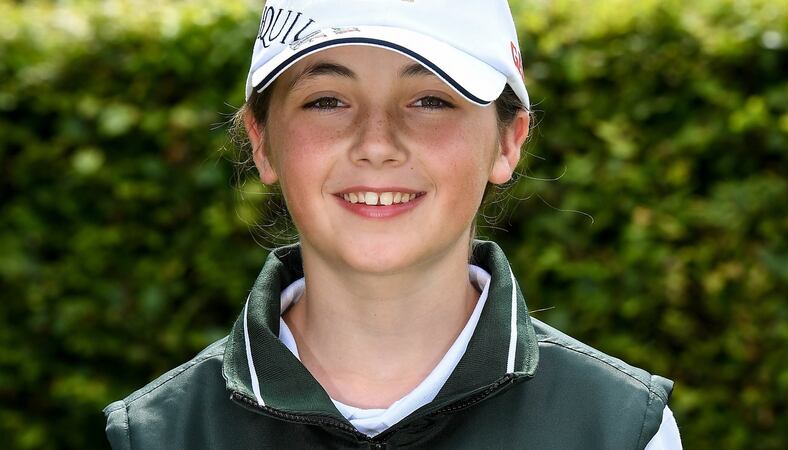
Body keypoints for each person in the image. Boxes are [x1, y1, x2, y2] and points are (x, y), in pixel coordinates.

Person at [103, 1, 682, 448]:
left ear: (508, 141)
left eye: (430, 100)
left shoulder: (622, 428)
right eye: (327, 100)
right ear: (263, 141)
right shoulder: (156, 435)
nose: (376, 144)